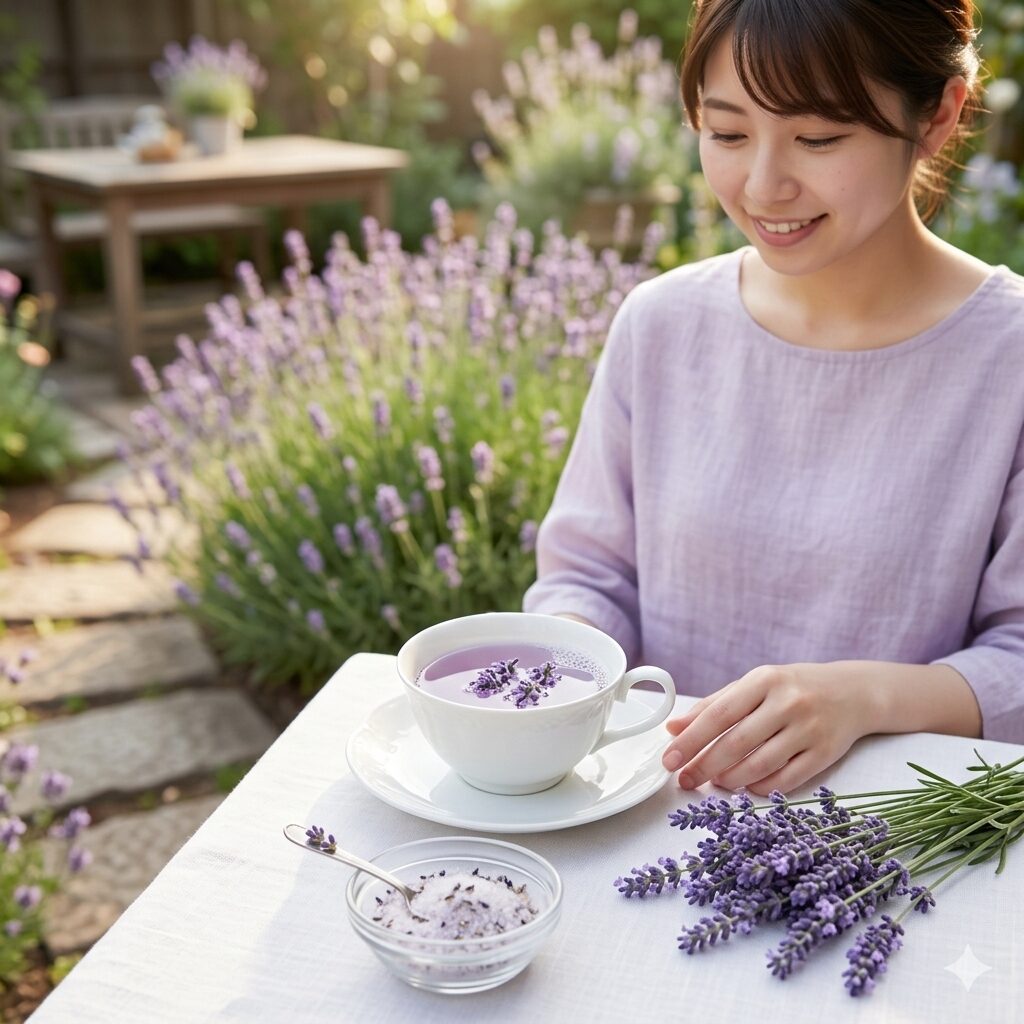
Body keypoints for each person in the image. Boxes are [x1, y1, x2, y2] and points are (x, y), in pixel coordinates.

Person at [522, 0, 1024, 796]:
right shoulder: (661, 325)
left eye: (818, 138)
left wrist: (866, 699)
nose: (763, 185)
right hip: (646, 816)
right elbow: (587, 576)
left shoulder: (1010, 356)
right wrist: (562, 670)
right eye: (726, 133)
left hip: (893, 845)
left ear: (936, 115)